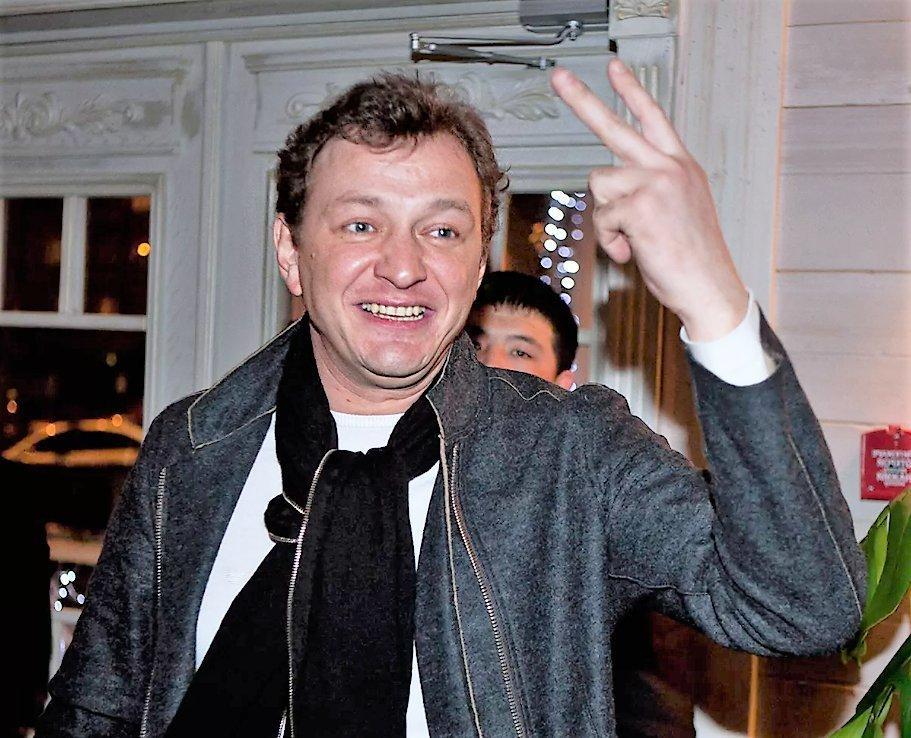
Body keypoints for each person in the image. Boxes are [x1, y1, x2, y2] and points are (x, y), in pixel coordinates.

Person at [38, 61, 865, 738]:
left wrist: (713, 299)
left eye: (441, 231)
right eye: (360, 225)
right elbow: (96, 707)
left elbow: (802, 610)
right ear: (290, 251)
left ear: (476, 266)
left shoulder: (570, 453)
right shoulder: (192, 446)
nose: (403, 267)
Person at [466, 270, 696, 738]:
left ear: (562, 383)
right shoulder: (402, 476)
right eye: (474, 345)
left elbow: (651, 710)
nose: (490, 365)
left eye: (520, 352)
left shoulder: (602, 509)